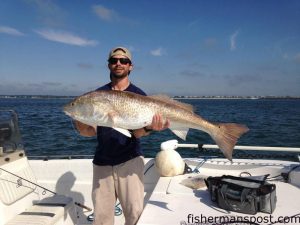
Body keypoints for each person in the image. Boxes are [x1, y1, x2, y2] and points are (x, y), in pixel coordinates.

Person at [74, 46, 169, 225]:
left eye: (123, 61)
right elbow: (88, 131)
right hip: (102, 162)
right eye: (114, 60)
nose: (119, 63)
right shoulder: (98, 95)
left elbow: (137, 133)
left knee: (134, 215)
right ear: (108, 65)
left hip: (130, 161)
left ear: (130, 66)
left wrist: (150, 128)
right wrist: (79, 117)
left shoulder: (139, 95)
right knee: (101, 219)